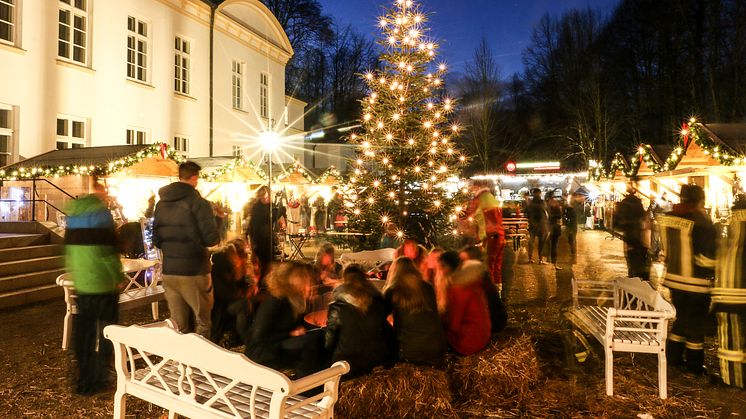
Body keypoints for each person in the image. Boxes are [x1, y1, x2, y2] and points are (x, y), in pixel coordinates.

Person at [65, 178, 123, 395]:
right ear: (101, 189)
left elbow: (68, 250)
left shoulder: (74, 214)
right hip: (103, 284)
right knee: (107, 332)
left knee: (84, 334)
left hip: (83, 283)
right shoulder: (102, 214)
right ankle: (102, 378)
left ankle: (83, 380)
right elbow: (108, 252)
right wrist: (117, 276)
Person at [153, 161, 220, 337]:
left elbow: (156, 240)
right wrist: (218, 221)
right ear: (195, 178)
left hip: (170, 271)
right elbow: (211, 239)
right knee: (202, 320)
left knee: (178, 324)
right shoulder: (199, 203)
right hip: (194, 271)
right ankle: (200, 362)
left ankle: (180, 362)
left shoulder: (161, 204)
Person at [659, 184, 716, 374]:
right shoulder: (702, 221)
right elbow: (706, 257)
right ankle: (694, 365)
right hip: (696, 282)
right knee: (695, 325)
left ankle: (673, 358)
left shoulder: (670, 218)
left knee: (682, 319)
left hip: (674, 280)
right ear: (701, 200)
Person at [245, 261, 327, 378]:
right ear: (291, 279)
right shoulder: (275, 302)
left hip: (281, 345)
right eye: (303, 277)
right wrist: (290, 334)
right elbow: (259, 336)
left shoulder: (295, 300)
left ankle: (323, 377)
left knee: (320, 335)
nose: (308, 281)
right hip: (266, 352)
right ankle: (304, 384)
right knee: (310, 342)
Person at [325, 265, 396, 377]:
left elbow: (329, 342)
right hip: (378, 361)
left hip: (347, 366)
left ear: (344, 280)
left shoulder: (337, 308)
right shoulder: (378, 302)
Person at [383, 256, 447, 366]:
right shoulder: (427, 287)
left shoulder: (392, 290)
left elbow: (381, 317)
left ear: (394, 272)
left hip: (410, 352)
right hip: (436, 347)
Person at [712, 198, 746, 387]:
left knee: (731, 341)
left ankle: (733, 379)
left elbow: (716, 260)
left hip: (729, 295)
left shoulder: (731, 233)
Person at [437, 251, 491, 355]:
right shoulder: (471, 280)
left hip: (470, 341)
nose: (440, 270)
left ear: (451, 266)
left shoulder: (458, 288)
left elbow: (454, 326)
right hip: (483, 334)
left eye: (443, 266)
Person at [463, 180, 506, 285]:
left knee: (488, 266)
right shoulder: (491, 197)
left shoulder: (478, 200)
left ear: (478, 187)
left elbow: (468, 215)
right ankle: (498, 293)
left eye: (472, 187)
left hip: (488, 236)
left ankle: (491, 294)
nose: (471, 189)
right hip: (500, 235)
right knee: (497, 266)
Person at [457, 246, 508, 334]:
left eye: (464, 261)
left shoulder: (475, 279)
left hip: (491, 325)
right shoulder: (481, 274)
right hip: (494, 323)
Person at [615, 181, 650, 281]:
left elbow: (617, 224)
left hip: (630, 239)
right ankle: (640, 283)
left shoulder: (624, 203)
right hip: (640, 238)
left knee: (632, 263)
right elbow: (643, 218)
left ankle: (633, 282)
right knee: (641, 263)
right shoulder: (638, 203)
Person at [246, 186, 274, 286]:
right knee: (260, 262)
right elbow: (253, 225)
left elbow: (276, 218)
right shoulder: (256, 207)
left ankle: (268, 281)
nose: (265, 198)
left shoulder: (271, 206)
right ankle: (260, 282)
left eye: (266, 196)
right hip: (259, 238)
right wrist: (251, 241)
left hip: (269, 238)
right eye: (263, 196)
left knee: (269, 261)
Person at [526, 188, 548, 264]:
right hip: (541, 224)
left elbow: (527, 212)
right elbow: (545, 210)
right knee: (540, 243)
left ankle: (531, 258)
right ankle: (540, 259)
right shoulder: (542, 202)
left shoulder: (531, 203)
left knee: (532, 242)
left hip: (534, 224)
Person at [546, 192, 563, 270]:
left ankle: (546, 260)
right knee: (554, 245)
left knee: (548, 244)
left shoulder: (545, 205)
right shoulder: (555, 205)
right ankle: (554, 263)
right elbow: (559, 215)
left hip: (548, 227)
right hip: (554, 227)